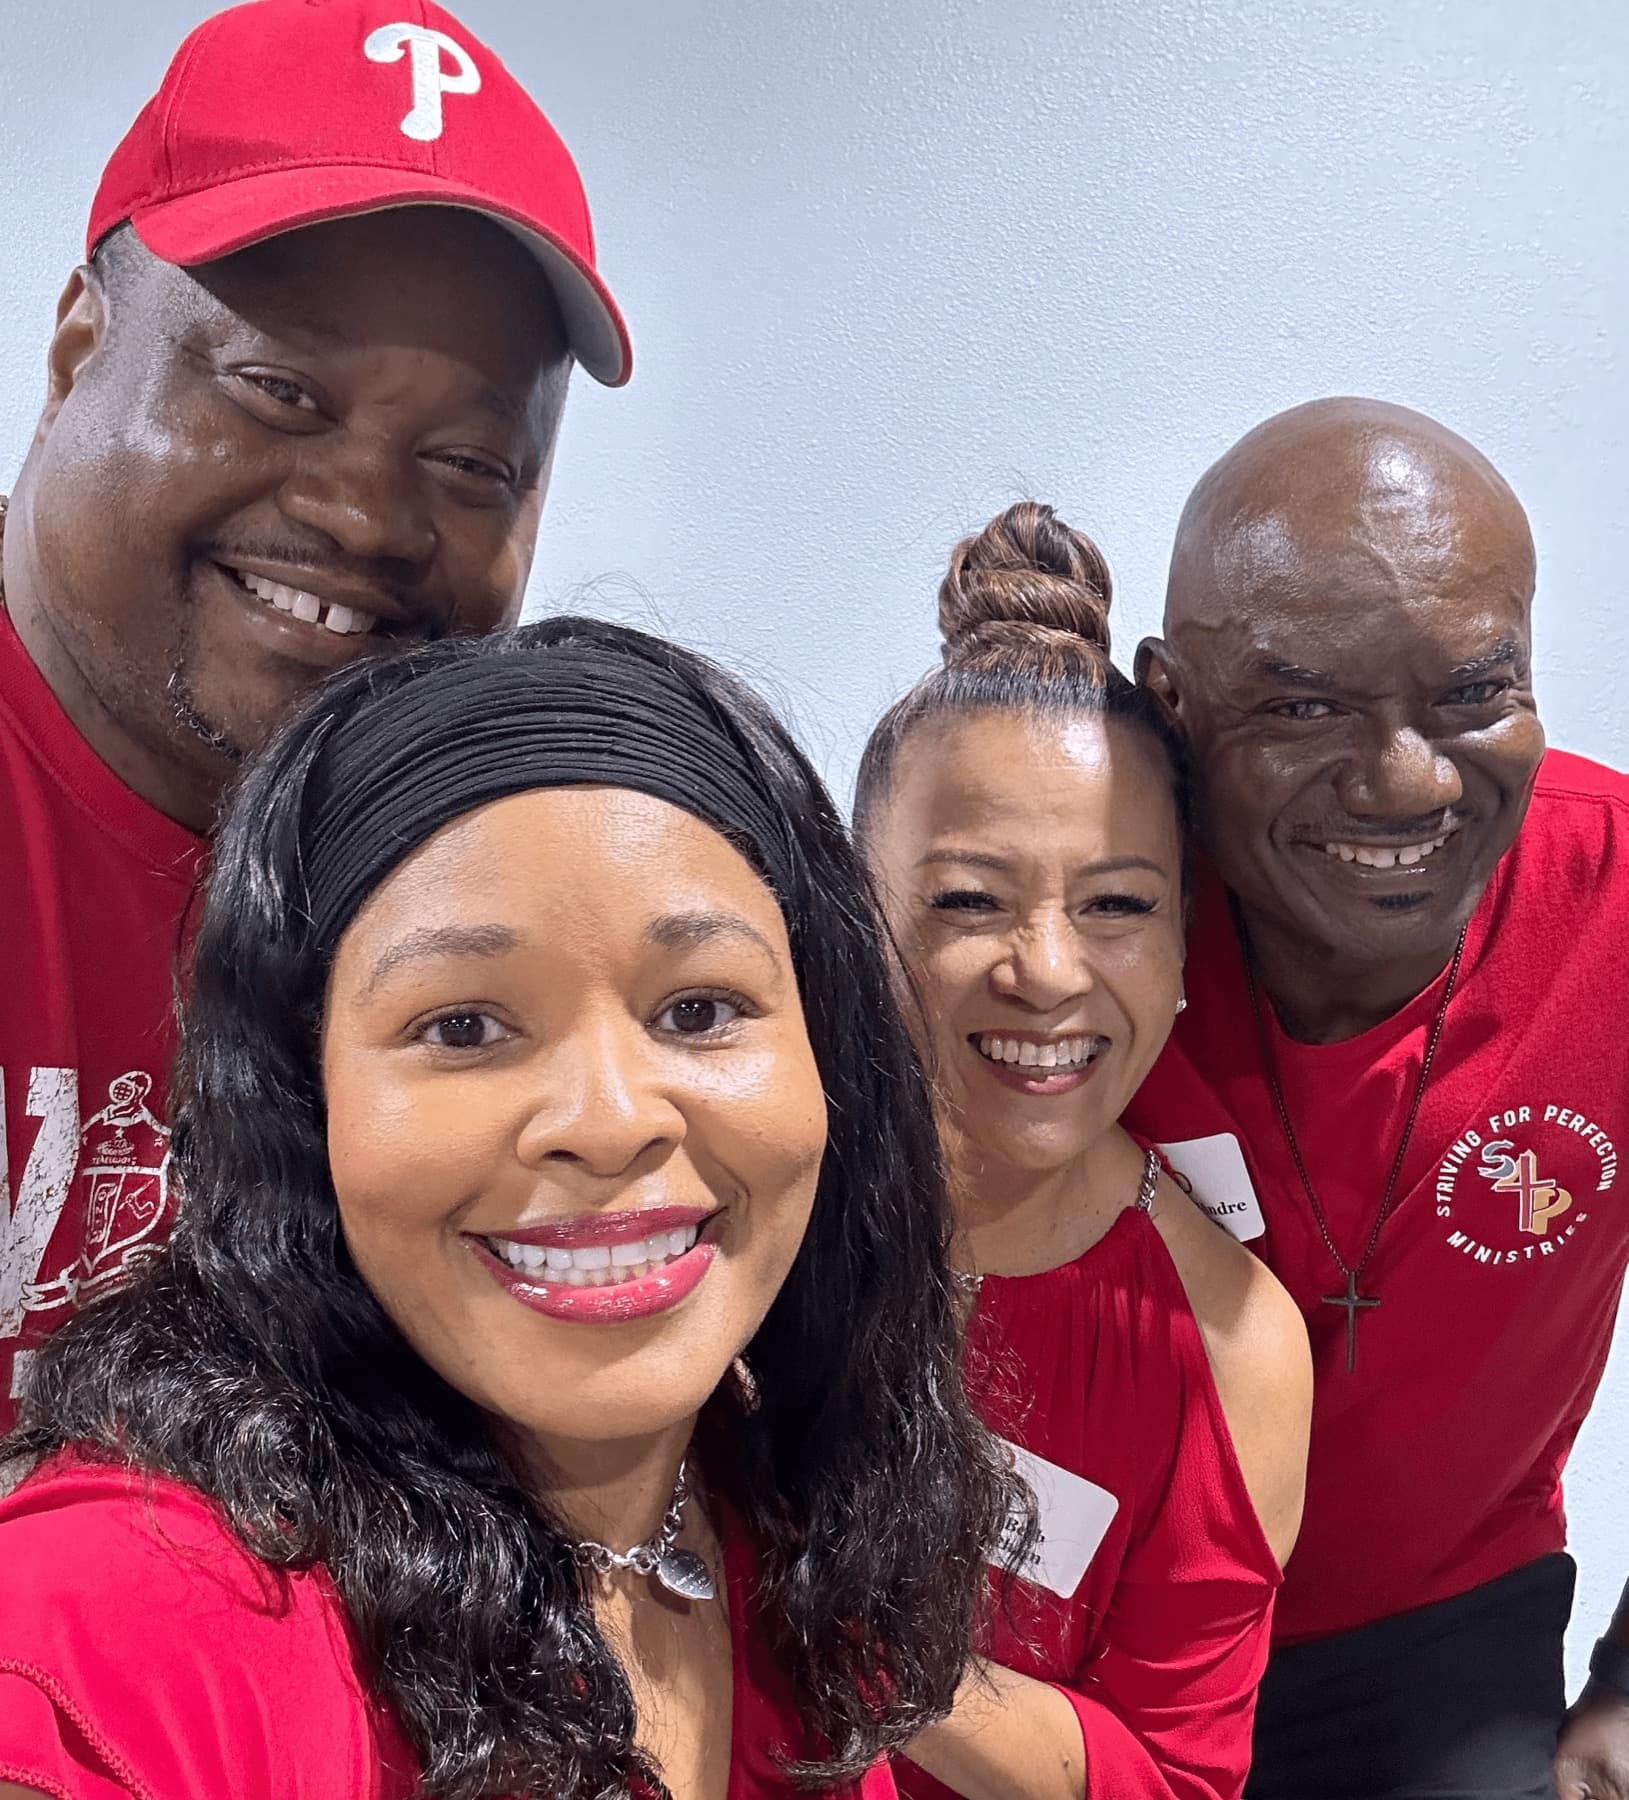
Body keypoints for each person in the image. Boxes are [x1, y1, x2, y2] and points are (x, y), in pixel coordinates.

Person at [0, 617, 1019, 1800]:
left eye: (698, 1011)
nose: (608, 1117)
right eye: (464, 1027)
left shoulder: (776, 1511)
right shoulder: (122, 1628)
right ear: (302, 1101)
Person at [0, 0, 630, 1427]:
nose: (362, 513)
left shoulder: (478, 882)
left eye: (472, 461)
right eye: (281, 391)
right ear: (75, 353)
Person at [1127, 397, 1629, 1800]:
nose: (1406, 779)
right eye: (1302, 706)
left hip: (1445, 1629)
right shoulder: (1086, 921)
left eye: (1473, 693)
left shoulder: (1619, 895)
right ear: (1173, 705)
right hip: (1098, 1625)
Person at [855, 502, 1312, 1800]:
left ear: (1179, 954)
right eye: (966, 900)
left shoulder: (1227, 1353)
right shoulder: (727, 1203)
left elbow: (1172, 1777)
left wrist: (875, 1651)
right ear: (853, 915)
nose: (1047, 971)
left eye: (1116, 905)